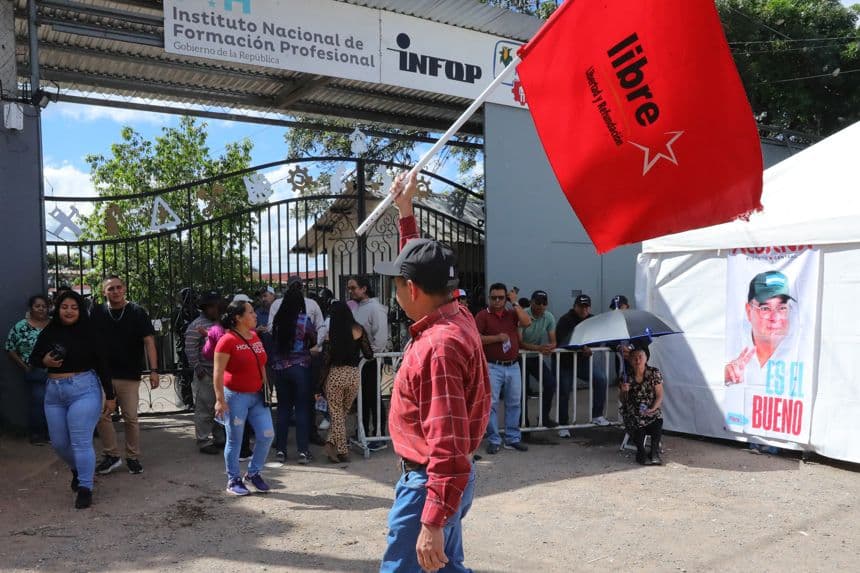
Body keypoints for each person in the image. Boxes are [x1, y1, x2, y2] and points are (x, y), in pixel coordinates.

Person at [377, 171, 491, 573]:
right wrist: (405, 211)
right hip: (445, 481)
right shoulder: (455, 311)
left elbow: (447, 439)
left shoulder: (438, 347)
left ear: (411, 290)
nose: (396, 291)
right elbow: (419, 264)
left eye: (398, 284)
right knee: (444, 568)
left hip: (431, 481)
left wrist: (431, 520)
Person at [29, 290, 115, 509]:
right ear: (58, 309)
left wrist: (111, 396)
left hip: (83, 389)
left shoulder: (90, 332)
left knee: (80, 441)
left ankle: (85, 488)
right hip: (54, 393)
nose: (69, 311)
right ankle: (79, 470)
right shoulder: (50, 330)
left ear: (80, 310)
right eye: (64, 307)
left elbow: (103, 364)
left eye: (74, 307)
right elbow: (34, 358)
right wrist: (45, 360)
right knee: (59, 443)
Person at [91, 276, 159, 475]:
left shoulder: (137, 312)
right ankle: (111, 455)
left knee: (131, 418)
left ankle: (132, 457)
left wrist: (154, 370)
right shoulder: (97, 312)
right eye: (111, 288)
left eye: (119, 287)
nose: (116, 291)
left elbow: (149, 341)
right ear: (104, 292)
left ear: (125, 289)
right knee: (102, 415)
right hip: (104, 374)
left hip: (129, 375)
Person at [213, 299, 275, 496]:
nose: (255, 315)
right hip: (235, 397)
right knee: (235, 440)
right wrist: (219, 400)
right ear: (238, 317)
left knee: (267, 434)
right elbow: (218, 372)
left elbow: (262, 364)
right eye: (250, 312)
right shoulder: (227, 340)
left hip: (257, 396)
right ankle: (233, 479)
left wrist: (266, 389)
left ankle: (253, 473)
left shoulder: (255, 337)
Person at [476, 283, 531, 455]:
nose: (498, 301)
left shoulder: (512, 313)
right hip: (493, 365)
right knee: (491, 404)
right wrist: (496, 338)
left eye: (501, 297)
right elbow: (475, 338)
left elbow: (527, 322)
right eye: (494, 298)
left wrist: (515, 303)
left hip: (513, 365)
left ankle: (512, 438)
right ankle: (494, 439)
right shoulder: (483, 315)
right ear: (489, 298)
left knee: (514, 403)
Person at [318, 300, 373, 463]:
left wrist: (319, 385)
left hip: (336, 375)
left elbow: (326, 362)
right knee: (342, 414)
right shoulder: (358, 330)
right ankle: (330, 444)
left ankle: (341, 451)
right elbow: (369, 354)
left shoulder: (331, 334)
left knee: (336, 414)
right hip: (353, 375)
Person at [270, 288, 317, 464]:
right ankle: (303, 451)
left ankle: (281, 450)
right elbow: (313, 339)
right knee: (302, 409)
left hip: (281, 368)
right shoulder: (304, 321)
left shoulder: (278, 321)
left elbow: (273, 342)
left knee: (283, 409)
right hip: (301, 368)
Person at [725, 271, 794, 385]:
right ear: (748, 311)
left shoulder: (802, 349)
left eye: (782, 308)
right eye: (765, 308)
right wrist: (725, 377)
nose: (774, 317)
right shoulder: (731, 344)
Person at [555, 294, 611, 429]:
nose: (583, 310)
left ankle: (597, 415)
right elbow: (563, 340)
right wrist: (581, 347)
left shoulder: (592, 320)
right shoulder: (565, 320)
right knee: (564, 391)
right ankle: (563, 424)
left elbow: (602, 336)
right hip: (564, 363)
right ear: (574, 306)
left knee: (601, 379)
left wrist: (617, 346)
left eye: (586, 307)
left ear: (589, 308)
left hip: (582, 363)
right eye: (580, 307)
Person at [347, 274, 390, 449]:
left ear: (364, 289)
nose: (350, 291)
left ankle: (379, 435)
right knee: (362, 398)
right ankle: (363, 432)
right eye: (349, 288)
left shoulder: (375, 308)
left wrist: (370, 355)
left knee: (373, 398)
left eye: (353, 288)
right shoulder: (358, 307)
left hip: (371, 360)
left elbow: (380, 339)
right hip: (361, 359)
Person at [5, 294, 51, 444]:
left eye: (44, 306)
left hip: (57, 372)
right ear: (31, 308)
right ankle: (37, 433)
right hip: (36, 371)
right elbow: (10, 347)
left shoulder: (53, 325)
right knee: (39, 402)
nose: (41, 309)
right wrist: (24, 367)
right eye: (38, 306)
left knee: (55, 404)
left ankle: (53, 433)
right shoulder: (21, 327)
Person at [184, 290, 225, 454]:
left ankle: (219, 437)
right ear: (205, 308)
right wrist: (198, 368)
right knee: (204, 408)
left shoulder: (220, 323)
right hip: (206, 373)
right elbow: (190, 349)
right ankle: (203, 440)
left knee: (219, 407)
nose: (216, 310)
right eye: (212, 307)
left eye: (217, 307)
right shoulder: (196, 326)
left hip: (220, 372)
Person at [519, 290, 558, 428]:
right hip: (520, 358)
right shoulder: (523, 315)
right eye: (538, 302)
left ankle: (544, 417)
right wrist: (539, 348)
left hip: (534, 357)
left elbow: (553, 340)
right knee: (521, 391)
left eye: (544, 303)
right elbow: (519, 343)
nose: (541, 306)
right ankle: (523, 423)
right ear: (531, 302)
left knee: (550, 383)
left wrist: (550, 347)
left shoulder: (549, 317)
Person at [620, 346, 664, 465]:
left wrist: (653, 408)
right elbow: (623, 401)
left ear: (646, 359)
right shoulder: (626, 376)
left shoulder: (654, 373)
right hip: (633, 411)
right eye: (634, 358)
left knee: (657, 420)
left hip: (650, 408)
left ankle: (654, 452)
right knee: (637, 421)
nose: (637, 361)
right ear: (630, 360)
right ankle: (641, 452)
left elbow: (660, 395)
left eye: (640, 357)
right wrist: (624, 391)